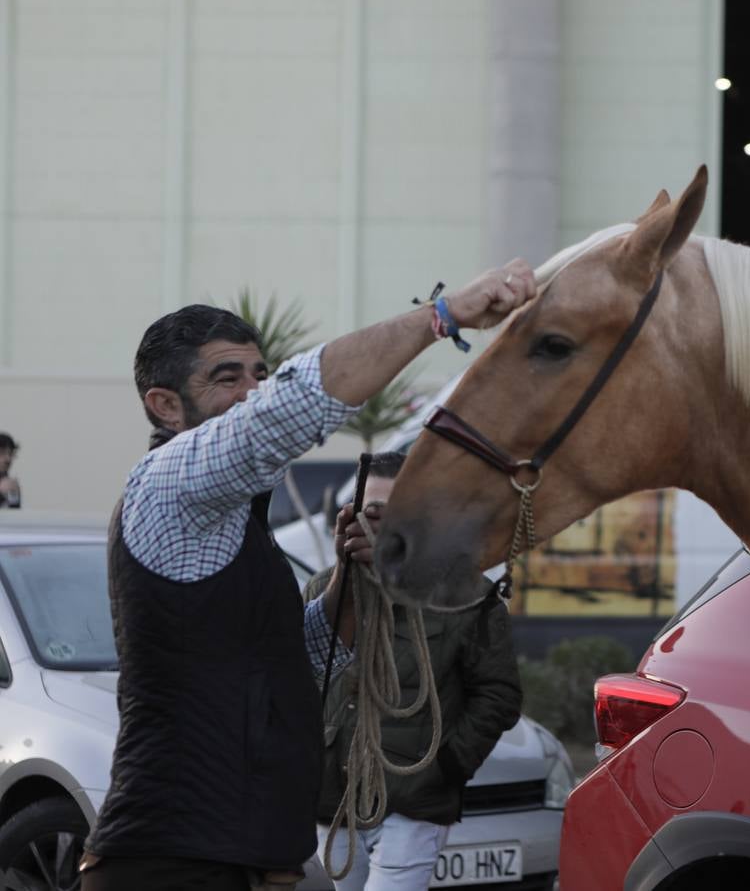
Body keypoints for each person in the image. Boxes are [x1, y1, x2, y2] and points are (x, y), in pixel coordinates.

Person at [79, 259, 538, 891]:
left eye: (260, 374)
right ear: (165, 405)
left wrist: (351, 579)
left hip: (249, 855)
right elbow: (284, 412)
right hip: (174, 861)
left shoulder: (235, 524)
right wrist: (444, 315)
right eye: (226, 378)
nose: (253, 392)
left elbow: (295, 658)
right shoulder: (167, 485)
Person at [308, 451, 522, 891]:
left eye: (393, 512)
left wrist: (446, 766)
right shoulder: (326, 587)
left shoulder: (467, 595)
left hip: (413, 800)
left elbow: (498, 695)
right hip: (333, 798)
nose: (378, 524)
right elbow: (299, 680)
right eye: (369, 511)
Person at [0, 433, 19, 508]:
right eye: (2, 453)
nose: (8, 459)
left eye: (10, 453)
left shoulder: (9, 483)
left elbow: (14, 517)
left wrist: (14, 496)